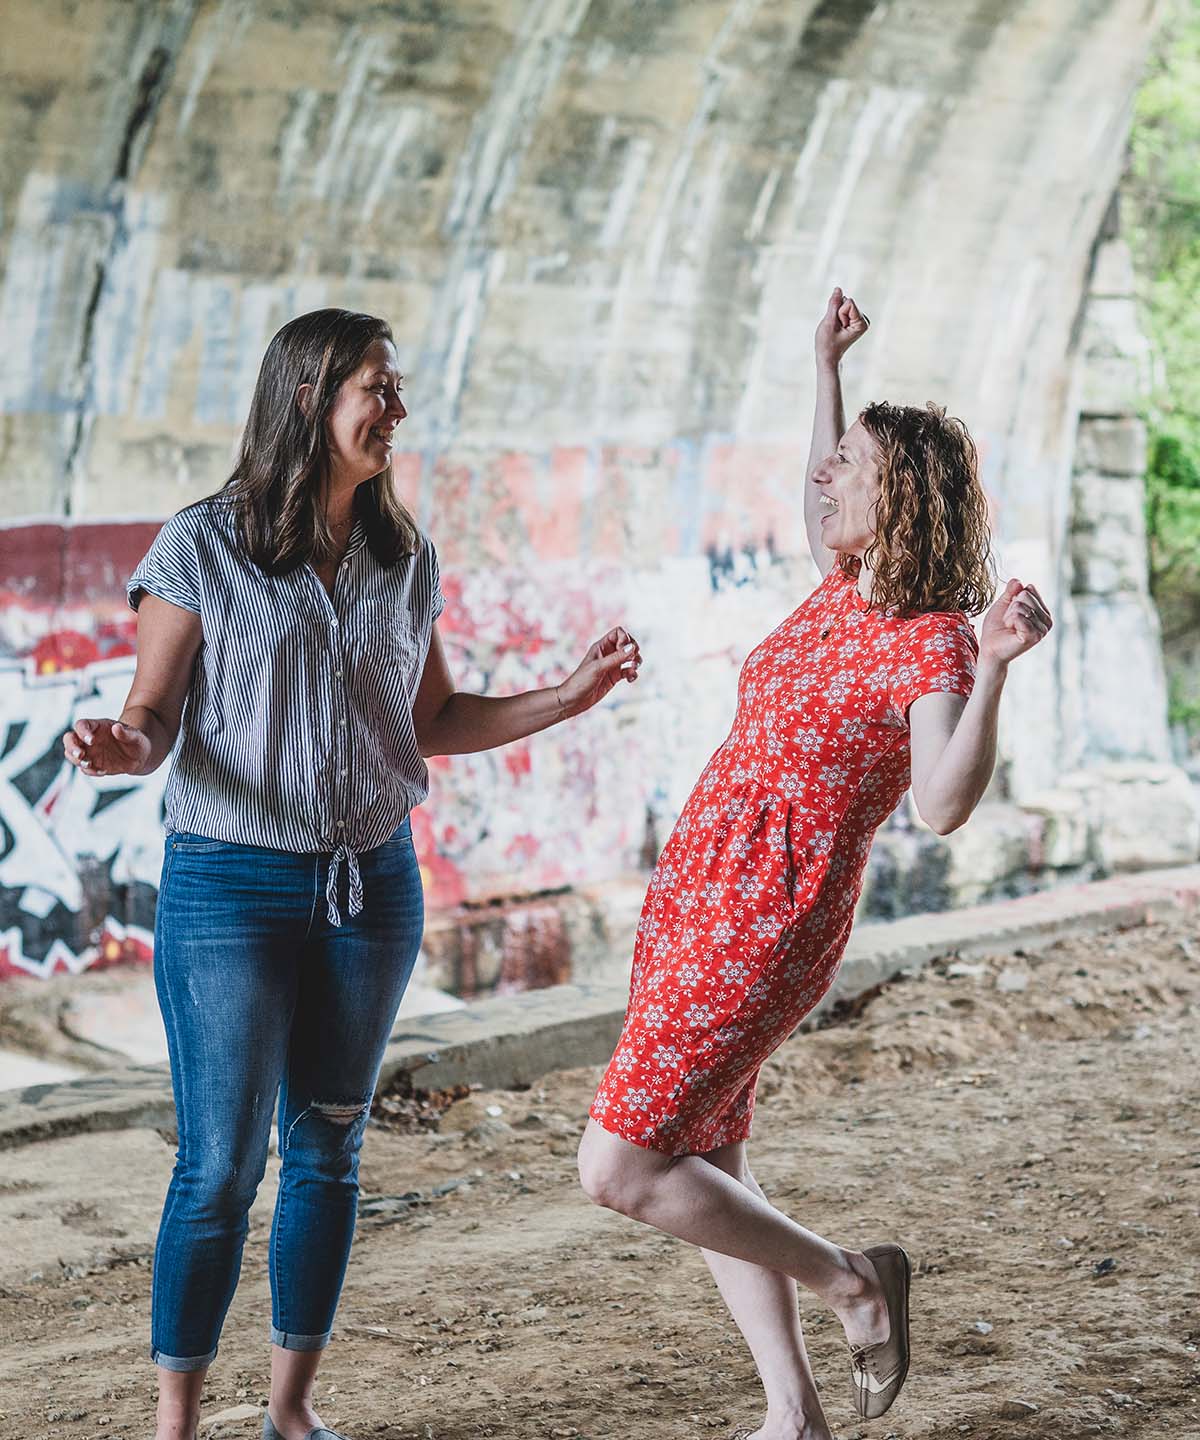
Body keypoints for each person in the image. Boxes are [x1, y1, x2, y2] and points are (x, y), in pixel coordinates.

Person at [61, 308, 641, 1440]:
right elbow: (153, 717)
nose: (397, 408)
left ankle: (290, 1411)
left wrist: (566, 696)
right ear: (308, 401)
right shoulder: (200, 546)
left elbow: (430, 718)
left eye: (397, 386)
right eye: (378, 386)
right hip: (230, 886)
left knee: (327, 1149)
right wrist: (119, 748)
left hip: (369, 887)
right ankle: (174, 1425)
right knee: (220, 1168)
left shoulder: (403, 555)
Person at [577, 288, 1052, 1439]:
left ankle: (853, 1280)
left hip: (771, 910)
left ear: (902, 494)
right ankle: (793, 1413)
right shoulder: (843, 590)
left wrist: (994, 666)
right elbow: (814, 491)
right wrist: (822, 368)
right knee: (708, 1151)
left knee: (623, 1165)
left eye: (850, 467)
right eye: (830, 463)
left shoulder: (933, 637)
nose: (825, 479)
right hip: (699, 889)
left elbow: (941, 804)